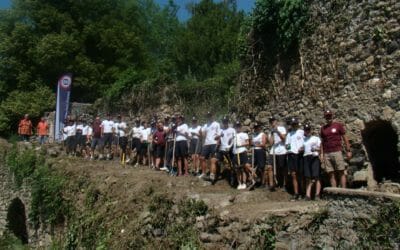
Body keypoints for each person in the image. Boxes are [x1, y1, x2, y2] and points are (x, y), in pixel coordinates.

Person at [320, 109, 352, 188]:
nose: (328, 118)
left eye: (329, 116)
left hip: (337, 151)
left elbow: (345, 138)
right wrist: (321, 154)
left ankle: (343, 191)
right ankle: (334, 191)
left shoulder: (338, 125)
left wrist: (348, 150)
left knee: (341, 171)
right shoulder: (323, 128)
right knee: (331, 173)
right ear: (325, 118)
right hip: (327, 153)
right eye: (327, 117)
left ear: (332, 116)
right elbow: (322, 142)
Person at [285, 118, 304, 200]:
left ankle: (303, 192)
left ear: (297, 124)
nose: (294, 125)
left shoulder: (302, 132)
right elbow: (287, 144)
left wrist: (303, 148)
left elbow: (306, 141)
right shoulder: (289, 134)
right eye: (292, 124)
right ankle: (296, 193)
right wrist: (289, 150)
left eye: (295, 124)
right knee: (293, 174)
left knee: (301, 174)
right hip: (291, 155)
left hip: (300, 155)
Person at [302, 124, 322, 200]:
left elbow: (320, 148)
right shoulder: (304, 140)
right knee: (308, 177)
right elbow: (303, 148)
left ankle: (317, 195)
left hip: (314, 157)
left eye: (308, 129)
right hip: (306, 157)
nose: (307, 131)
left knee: (316, 176)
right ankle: (308, 195)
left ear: (311, 130)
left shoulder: (316, 138)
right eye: (306, 130)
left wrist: (316, 150)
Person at [267, 117, 287, 190]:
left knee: (282, 168)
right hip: (273, 150)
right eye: (271, 122)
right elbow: (271, 143)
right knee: (270, 167)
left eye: (273, 121)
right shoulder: (270, 131)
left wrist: (277, 132)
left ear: (276, 121)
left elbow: (284, 139)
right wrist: (272, 133)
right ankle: (271, 185)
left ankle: (284, 184)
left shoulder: (282, 128)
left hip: (282, 150)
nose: (272, 123)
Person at [199, 112, 221, 180]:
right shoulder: (206, 125)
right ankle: (204, 173)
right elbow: (203, 134)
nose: (209, 117)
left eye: (210, 116)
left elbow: (219, 134)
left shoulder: (217, 124)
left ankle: (213, 174)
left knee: (213, 159)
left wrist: (218, 142)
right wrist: (201, 132)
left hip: (214, 143)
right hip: (207, 143)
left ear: (213, 116)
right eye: (208, 116)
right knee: (202, 158)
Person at [232, 121, 252, 190]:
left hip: (242, 151)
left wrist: (240, 145)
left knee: (243, 168)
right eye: (236, 126)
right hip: (235, 152)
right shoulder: (234, 135)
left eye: (238, 126)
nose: (237, 128)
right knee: (237, 169)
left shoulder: (244, 134)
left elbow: (247, 143)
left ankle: (244, 183)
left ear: (240, 127)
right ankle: (239, 183)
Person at [216, 117, 235, 185]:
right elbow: (216, 138)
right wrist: (218, 137)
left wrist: (230, 146)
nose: (225, 123)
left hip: (230, 149)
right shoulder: (221, 130)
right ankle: (218, 175)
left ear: (228, 122)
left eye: (226, 122)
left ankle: (232, 178)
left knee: (232, 164)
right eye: (224, 122)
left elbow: (234, 138)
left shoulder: (232, 130)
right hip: (222, 149)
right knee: (217, 161)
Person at [251, 123, 268, 188]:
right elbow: (251, 143)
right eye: (255, 127)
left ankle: (263, 182)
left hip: (260, 151)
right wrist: (255, 144)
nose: (256, 128)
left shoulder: (262, 134)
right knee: (253, 166)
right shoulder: (253, 135)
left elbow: (263, 144)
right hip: (254, 151)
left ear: (259, 128)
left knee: (261, 167)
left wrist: (256, 144)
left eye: (257, 127)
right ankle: (254, 180)